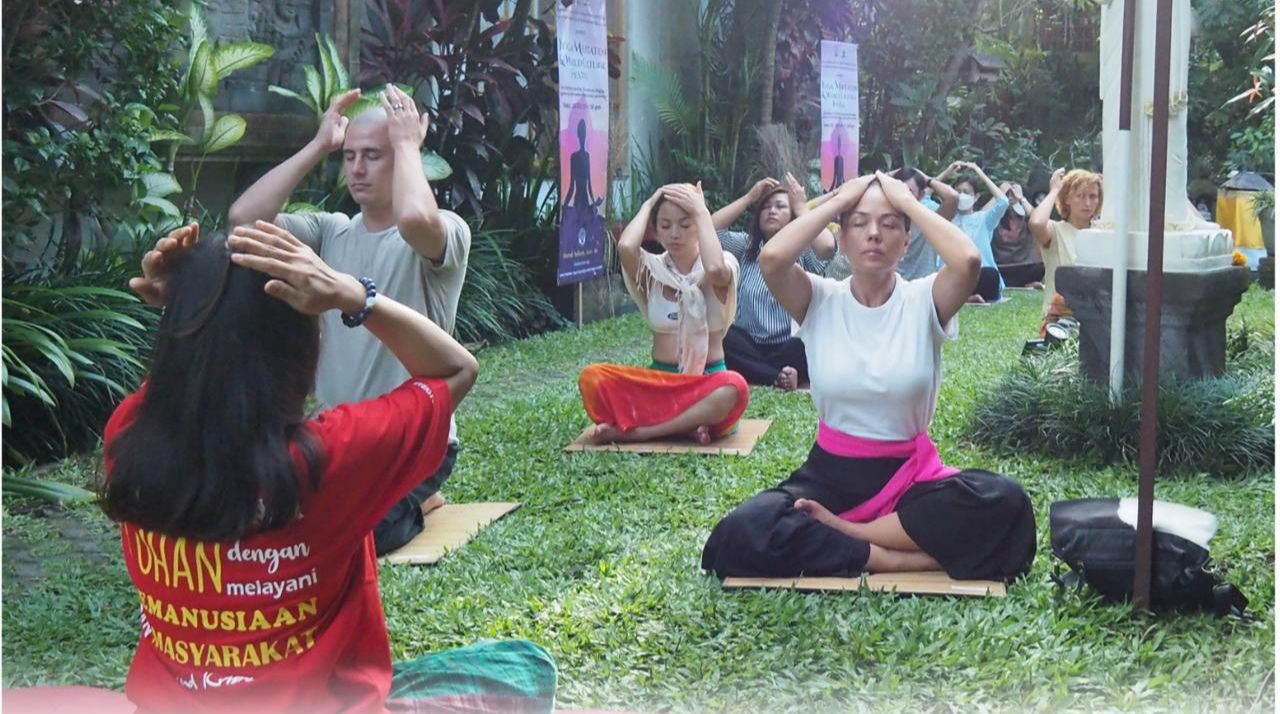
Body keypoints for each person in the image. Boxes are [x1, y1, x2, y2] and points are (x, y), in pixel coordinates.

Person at [104, 223, 556, 713]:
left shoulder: (128, 437)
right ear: (299, 347)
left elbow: (181, 383)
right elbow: (457, 368)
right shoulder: (335, 456)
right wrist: (353, 295)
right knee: (522, 666)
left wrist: (184, 304)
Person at [701, 172, 1036, 581]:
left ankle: (850, 534)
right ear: (842, 239)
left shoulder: (924, 299)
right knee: (742, 531)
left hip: (910, 478)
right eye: (859, 224)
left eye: (889, 224)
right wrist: (840, 201)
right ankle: (892, 558)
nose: (874, 234)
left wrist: (907, 202)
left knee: (1007, 502)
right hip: (829, 477)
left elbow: (967, 261)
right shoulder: (819, 298)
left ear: (907, 241)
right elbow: (773, 258)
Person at [225, 84, 471, 557]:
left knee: (357, 539)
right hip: (337, 439)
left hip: (413, 439)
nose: (357, 169)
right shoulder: (331, 231)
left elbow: (415, 220)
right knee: (270, 519)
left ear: (404, 157)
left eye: (373, 156)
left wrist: (407, 143)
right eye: (350, 156)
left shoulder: (446, 232)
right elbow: (244, 221)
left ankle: (421, 502)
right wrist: (320, 145)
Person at [578, 183, 750, 445]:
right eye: (665, 225)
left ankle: (641, 432)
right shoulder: (652, 271)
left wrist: (701, 211)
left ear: (701, 224)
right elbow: (626, 247)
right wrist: (650, 203)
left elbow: (715, 269)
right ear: (655, 231)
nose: (675, 234)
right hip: (660, 384)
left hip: (707, 383)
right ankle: (689, 424)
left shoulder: (723, 263)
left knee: (734, 387)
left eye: (685, 224)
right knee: (593, 377)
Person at [710, 173, 835, 390]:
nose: (772, 211)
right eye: (766, 207)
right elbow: (711, 230)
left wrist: (801, 207)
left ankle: (765, 372)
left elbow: (827, 248)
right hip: (750, 343)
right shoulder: (746, 246)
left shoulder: (803, 249)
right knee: (723, 336)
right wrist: (749, 198)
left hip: (790, 345)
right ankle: (779, 376)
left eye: (780, 206)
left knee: (811, 342)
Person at [1029, 168, 1103, 334]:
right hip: (1060, 321)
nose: (1087, 203)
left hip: (1097, 318)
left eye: (1093, 196)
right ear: (1067, 199)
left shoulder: (1103, 233)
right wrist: (1054, 190)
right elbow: (1036, 223)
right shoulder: (1055, 230)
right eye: (1080, 196)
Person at [935, 160, 1009, 302]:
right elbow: (923, 197)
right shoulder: (946, 218)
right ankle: (968, 297)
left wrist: (979, 173)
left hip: (981, 276)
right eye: (958, 192)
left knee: (990, 275)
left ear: (976, 197)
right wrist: (946, 172)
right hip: (955, 275)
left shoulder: (984, 219)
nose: (962, 195)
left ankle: (967, 296)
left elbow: (1003, 202)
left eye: (966, 192)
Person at [992, 184, 1045, 288]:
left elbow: (1039, 219)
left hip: (1024, 266)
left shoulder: (1026, 217)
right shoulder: (994, 217)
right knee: (990, 274)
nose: (1010, 199)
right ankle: (1022, 284)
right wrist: (997, 195)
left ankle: (1020, 283)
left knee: (1039, 268)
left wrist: (1021, 199)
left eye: (1013, 195)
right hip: (1000, 267)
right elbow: (979, 219)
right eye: (1007, 195)